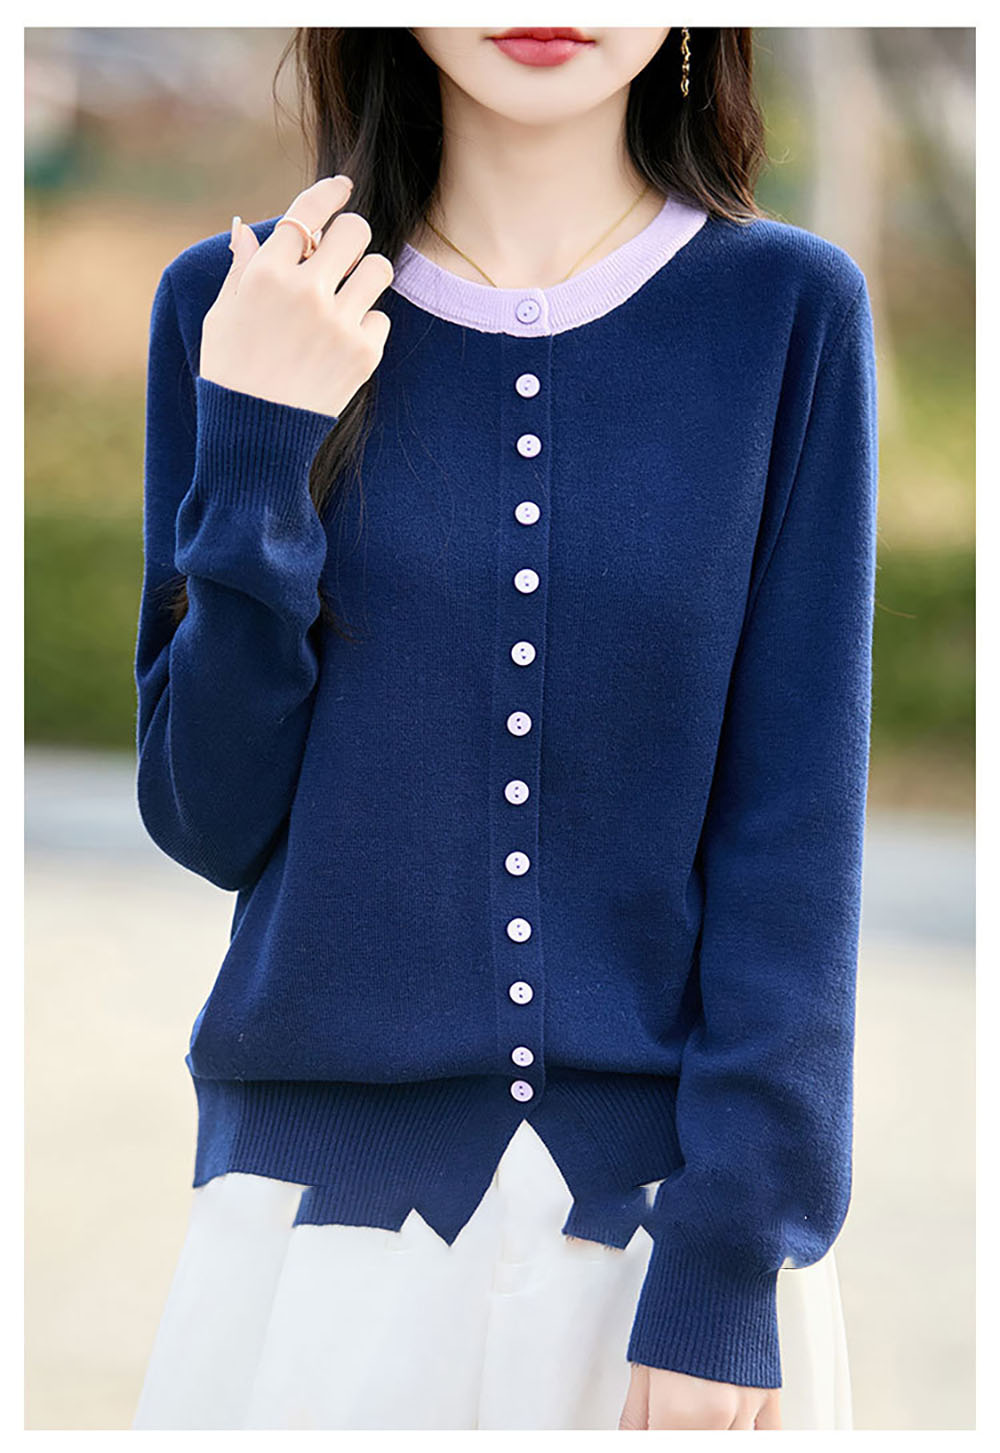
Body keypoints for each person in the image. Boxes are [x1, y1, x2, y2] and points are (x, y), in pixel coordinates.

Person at [130, 25, 876, 1432]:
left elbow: (796, 832)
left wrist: (731, 1258)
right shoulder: (237, 305)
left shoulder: (789, 311)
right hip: (317, 1243)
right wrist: (260, 445)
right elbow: (206, 815)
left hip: (664, 1253)